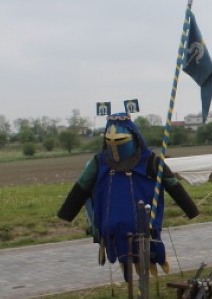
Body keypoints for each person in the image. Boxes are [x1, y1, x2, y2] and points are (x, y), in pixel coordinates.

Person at [57, 112, 199, 278]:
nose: (115, 146)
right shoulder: (100, 162)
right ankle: (127, 269)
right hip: (111, 223)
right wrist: (67, 213)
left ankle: (152, 261)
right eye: (111, 141)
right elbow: (81, 187)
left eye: (120, 141)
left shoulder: (150, 161)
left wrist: (190, 209)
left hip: (144, 222)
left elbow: (172, 184)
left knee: (146, 245)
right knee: (121, 247)